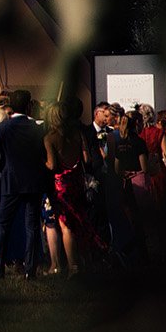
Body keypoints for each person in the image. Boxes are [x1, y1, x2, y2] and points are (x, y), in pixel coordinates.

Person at [0, 90, 47, 278]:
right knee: (32, 225)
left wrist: (5, 168)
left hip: (10, 180)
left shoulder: (3, 128)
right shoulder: (38, 128)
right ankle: (31, 269)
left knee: (3, 224)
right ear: (29, 105)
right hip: (32, 180)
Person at [43, 97, 105, 275]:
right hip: (77, 180)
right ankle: (86, 259)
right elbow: (87, 159)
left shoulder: (50, 138)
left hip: (60, 184)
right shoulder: (78, 134)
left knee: (65, 225)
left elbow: (52, 165)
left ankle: (73, 265)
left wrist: (41, 162)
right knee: (80, 220)